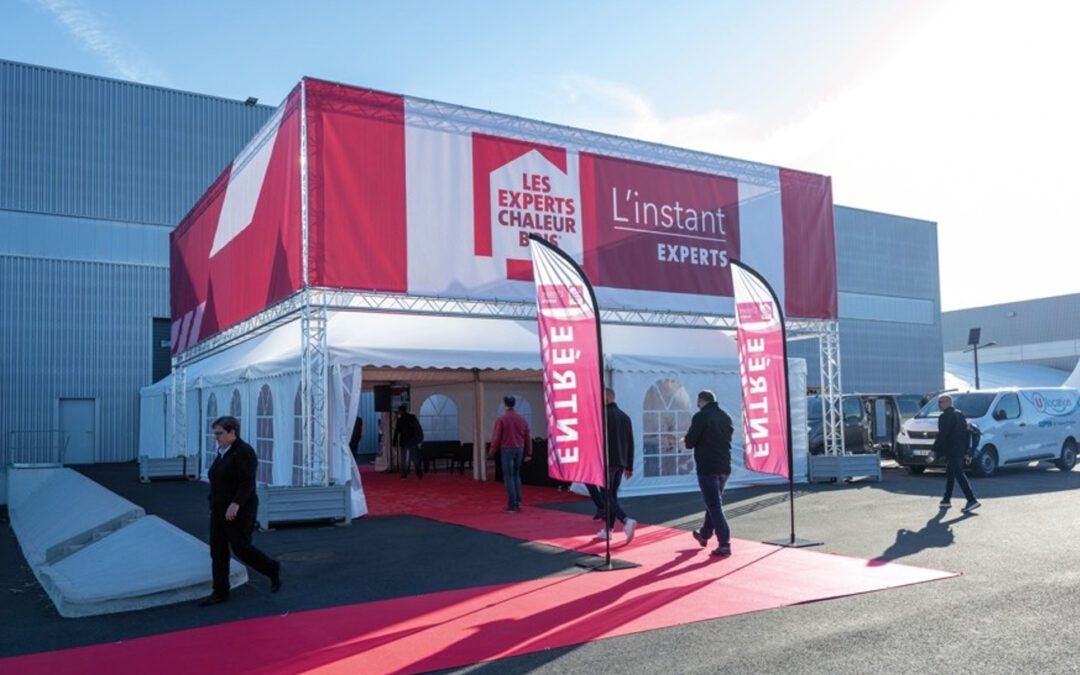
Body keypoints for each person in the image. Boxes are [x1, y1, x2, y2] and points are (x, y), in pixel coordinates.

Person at [200, 416, 282, 606]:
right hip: (219, 509)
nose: (216, 437)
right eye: (215, 433)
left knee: (241, 548)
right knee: (218, 551)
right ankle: (220, 591)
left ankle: (272, 569)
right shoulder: (222, 451)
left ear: (232, 432)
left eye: (219, 433)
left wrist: (235, 504)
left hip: (240, 510)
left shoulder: (244, 452)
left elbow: (247, 483)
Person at [684, 390, 735, 557]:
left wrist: (685, 440)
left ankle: (724, 543)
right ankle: (704, 534)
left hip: (707, 466)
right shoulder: (725, 416)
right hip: (724, 465)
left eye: (697, 401)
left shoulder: (701, 417)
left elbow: (690, 442)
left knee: (714, 505)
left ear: (701, 400)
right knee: (713, 503)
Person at [595, 388, 637, 544]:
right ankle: (608, 530)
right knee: (612, 495)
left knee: (607, 495)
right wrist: (629, 465)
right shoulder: (625, 417)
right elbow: (630, 442)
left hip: (606, 461)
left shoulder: (603, 416)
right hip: (620, 462)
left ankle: (626, 520)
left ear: (606, 398)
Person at [933, 394, 981, 512]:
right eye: (939, 402)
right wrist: (966, 451)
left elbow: (942, 435)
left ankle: (971, 499)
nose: (939, 404)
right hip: (959, 450)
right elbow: (965, 434)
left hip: (952, 450)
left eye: (942, 402)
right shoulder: (959, 414)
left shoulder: (945, 417)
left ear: (949, 403)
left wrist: (933, 450)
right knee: (950, 473)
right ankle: (946, 499)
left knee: (959, 474)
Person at [489, 396, 532, 512]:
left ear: (505, 404)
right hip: (520, 449)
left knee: (508, 476)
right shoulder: (522, 419)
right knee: (516, 475)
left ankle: (512, 504)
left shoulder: (502, 419)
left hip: (507, 449)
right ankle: (518, 501)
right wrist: (529, 452)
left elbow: (496, 437)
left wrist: (491, 452)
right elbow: (528, 437)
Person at [393, 404, 424, 479]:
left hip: (403, 440)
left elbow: (397, 430)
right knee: (414, 457)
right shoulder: (412, 417)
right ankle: (419, 472)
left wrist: (394, 441)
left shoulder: (400, 419)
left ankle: (404, 474)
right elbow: (417, 428)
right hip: (412, 440)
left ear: (400, 411)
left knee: (403, 458)